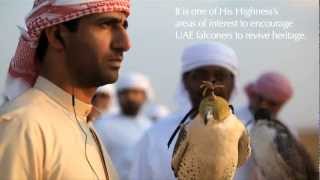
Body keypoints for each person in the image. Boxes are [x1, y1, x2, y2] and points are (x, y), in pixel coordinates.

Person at [0, 0, 131, 179]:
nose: (124, 43)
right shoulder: (24, 126)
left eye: (124, 26)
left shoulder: (85, 126)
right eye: (106, 24)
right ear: (56, 35)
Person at [129, 42, 240, 180]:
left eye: (220, 75)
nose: (211, 84)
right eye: (201, 75)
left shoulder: (251, 137)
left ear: (233, 83)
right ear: (185, 81)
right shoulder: (155, 137)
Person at [234, 71, 294, 180]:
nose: (263, 105)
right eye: (260, 98)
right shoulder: (231, 119)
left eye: (272, 103)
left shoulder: (288, 131)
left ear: (282, 104)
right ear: (252, 94)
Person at [94, 72, 153, 180]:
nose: (130, 97)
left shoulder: (151, 128)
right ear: (118, 96)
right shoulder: (103, 125)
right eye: (125, 93)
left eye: (135, 93)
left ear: (145, 96)